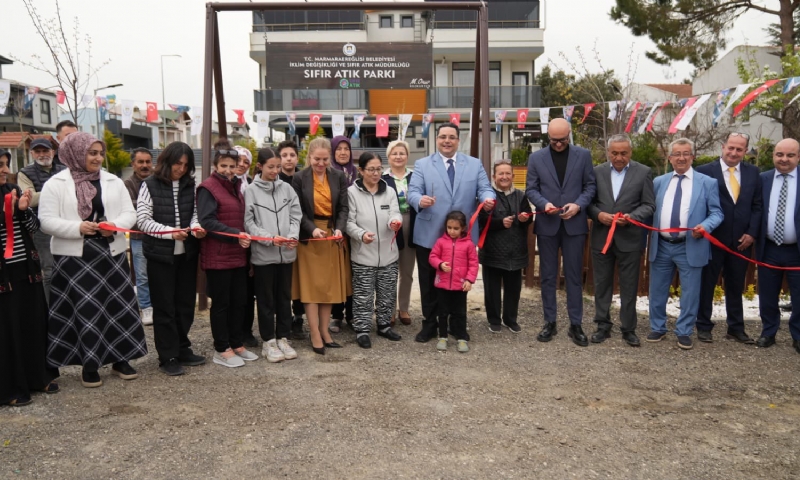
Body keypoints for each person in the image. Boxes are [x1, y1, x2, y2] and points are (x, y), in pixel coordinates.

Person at [39, 132, 146, 388]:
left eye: (100, 153)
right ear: (76, 153)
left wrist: (114, 226)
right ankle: (90, 363)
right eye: (92, 153)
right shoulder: (55, 183)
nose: (98, 158)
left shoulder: (113, 181)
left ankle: (121, 358)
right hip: (74, 258)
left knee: (117, 308)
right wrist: (78, 228)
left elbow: (129, 213)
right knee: (85, 311)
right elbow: (46, 220)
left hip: (111, 254)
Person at [407, 122, 495, 343]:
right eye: (443, 136)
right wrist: (420, 200)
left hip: (462, 237)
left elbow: (485, 188)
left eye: (451, 137)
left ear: (458, 140)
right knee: (428, 283)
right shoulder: (422, 164)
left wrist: (487, 199)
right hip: (429, 233)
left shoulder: (474, 165)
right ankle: (430, 324)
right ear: (436, 139)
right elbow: (412, 192)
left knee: (458, 281)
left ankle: (457, 325)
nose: (447, 140)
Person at [137, 142, 207, 376]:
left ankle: (182, 347)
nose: (182, 169)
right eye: (178, 163)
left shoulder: (190, 185)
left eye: (186, 165)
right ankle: (167, 355)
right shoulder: (149, 185)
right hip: (160, 255)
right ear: (167, 161)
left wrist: (196, 228)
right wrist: (168, 232)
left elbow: (195, 214)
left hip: (186, 253)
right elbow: (144, 221)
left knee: (185, 304)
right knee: (164, 306)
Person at [525, 118, 596, 347]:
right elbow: (531, 189)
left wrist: (578, 205)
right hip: (548, 224)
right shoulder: (536, 158)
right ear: (548, 137)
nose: (558, 144)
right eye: (554, 140)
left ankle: (576, 324)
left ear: (569, 135)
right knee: (547, 276)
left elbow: (590, 187)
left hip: (574, 225)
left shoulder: (583, 155)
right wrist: (544, 204)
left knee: (574, 277)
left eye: (563, 140)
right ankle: (550, 322)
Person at [647, 138, 723, 350]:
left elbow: (717, 212)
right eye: (677, 154)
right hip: (661, 244)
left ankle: (684, 331)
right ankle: (657, 327)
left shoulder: (707, 183)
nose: (681, 158)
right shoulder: (659, 182)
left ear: (692, 157)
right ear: (670, 158)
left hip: (690, 244)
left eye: (686, 153)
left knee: (690, 292)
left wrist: (705, 226)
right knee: (658, 288)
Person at [0, 149, 59, 406]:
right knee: (8, 329)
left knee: (32, 323)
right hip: (4, 275)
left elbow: (35, 229)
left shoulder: (13, 190)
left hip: (26, 269)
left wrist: (23, 211)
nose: (3, 169)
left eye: (4, 164)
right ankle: (10, 387)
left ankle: (38, 377)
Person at [586, 134, 655, 347]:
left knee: (629, 286)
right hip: (602, 238)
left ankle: (628, 328)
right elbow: (588, 202)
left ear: (630, 152)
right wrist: (598, 215)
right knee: (602, 284)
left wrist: (632, 218)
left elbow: (649, 205)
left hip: (630, 239)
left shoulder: (643, 172)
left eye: (623, 153)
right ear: (608, 152)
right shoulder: (596, 172)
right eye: (614, 153)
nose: (619, 157)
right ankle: (602, 325)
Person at [695, 132, 762, 344]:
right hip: (712, 239)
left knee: (735, 285)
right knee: (707, 284)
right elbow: (699, 205)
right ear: (723, 147)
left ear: (745, 151)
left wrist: (751, 233)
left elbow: (757, 206)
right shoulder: (705, 171)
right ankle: (703, 325)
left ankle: (735, 328)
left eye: (739, 149)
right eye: (730, 148)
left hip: (741, 242)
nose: (734, 153)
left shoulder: (754, 173)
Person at [197, 140, 258, 368]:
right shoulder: (207, 188)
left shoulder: (236, 188)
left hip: (237, 255)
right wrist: (236, 234)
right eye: (224, 166)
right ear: (215, 165)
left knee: (239, 301)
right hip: (218, 255)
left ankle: (237, 343)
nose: (228, 170)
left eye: (232, 166)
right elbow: (208, 222)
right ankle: (221, 347)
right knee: (221, 304)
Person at [291, 137, 351, 354]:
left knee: (328, 287)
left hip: (331, 234)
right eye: (317, 159)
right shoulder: (299, 178)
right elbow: (296, 209)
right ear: (310, 157)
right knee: (311, 287)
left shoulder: (338, 177)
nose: (321, 163)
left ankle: (325, 331)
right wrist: (311, 228)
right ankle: (314, 332)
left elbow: (344, 207)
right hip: (310, 236)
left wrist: (339, 229)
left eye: (325, 159)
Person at [245, 147, 301, 363]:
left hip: (287, 253)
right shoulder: (251, 190)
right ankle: (268, 341)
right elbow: (249, 222)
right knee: (266, 300)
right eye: (271, 167)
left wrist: (292, 235)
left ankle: (283, 337)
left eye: (278, 167)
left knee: (284, 298)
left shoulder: (287, 188)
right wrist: (269, 238)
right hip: (264, 254)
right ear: (260, 166)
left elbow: (296, 214)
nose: (275, 170)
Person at [347, 152, 403, 349]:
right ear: (360, 170)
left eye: (379, 168)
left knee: (387, 292)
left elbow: (395, 212)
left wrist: (395, 222)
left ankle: (384, 325)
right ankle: (362, 329)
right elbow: (349, 222)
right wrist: (361, 234)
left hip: (388, 252)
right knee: (363, 295)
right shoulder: (352, 193)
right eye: (371, 169)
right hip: (363, 253)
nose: (376, 173)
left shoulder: (389, 191)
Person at [755, 138, 800, 352]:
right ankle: (768, 332)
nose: (784, 159)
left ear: (798, 157)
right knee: (767, 294)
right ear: (774, 156)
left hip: (796, 250)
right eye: (780, 154)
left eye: (790, 155)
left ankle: (798, 335)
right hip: (769, 248)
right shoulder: (762, 179)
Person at [478, 159, 533, 334]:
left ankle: (510, 319)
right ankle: (494, 319)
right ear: (494, 177)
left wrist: (525, 218)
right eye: (500, 173)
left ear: (513, 176)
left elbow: (528, 217)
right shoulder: (488, 198)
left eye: (507, 173)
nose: (504, 177)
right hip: (493, 250)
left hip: (515, 250)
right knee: (492, 288)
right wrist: (500, 223)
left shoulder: (521, 196)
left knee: (513, 288)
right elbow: (482, 221)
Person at [16, 137, 66, 302]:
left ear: (52, 151)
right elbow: (29, 199)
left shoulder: (64, 169)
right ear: (31, 153)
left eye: (45, 150)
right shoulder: (24, 173)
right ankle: (51, 309)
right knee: (49, 270)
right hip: (41, 227)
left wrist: (44, 194)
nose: (42, 154)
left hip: (67, 224)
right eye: (38, 151)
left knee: (69, 267)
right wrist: (57, 191)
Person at [429, 211, 478, 353]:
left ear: (463, 228)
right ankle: (442, 336)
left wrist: (469, 280)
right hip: (442, 285)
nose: (452, 231)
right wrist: (439, 264)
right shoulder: (440, 242)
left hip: (460, 285)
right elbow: (432, 257)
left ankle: (462, 337)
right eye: (449, 227)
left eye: (456, 228)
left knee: (460, 313)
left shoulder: (469, 244)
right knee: (442, 312)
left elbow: (473, 264)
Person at [383, 140, 416, 326]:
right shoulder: (382, 178)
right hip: (388, 225)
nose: (398, 156)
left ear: (407, 156)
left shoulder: (415, 176)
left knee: (407, 271)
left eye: (402, 153)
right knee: (390, 271)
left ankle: (403, 308)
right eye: (394, 153)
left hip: (411, 222)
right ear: (388, 156)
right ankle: (389, 309)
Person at [277, 140, 306, 340]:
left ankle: (299, 318)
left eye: (292, 155)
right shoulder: (273, 179)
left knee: (300, 280)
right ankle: (282, 321)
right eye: (284, 155)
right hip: (279, 236)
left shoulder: (304, 178)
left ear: (297, 158)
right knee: (283, 282)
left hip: (301, 235)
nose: (288, 159)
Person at [124, 147, 154, 325]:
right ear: (133, 164)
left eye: (147, 162)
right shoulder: (127, 184)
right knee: (142, 275)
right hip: (138, 237)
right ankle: (146, 307)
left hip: (159, 236)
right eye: (140, 162)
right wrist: (152, 204)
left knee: (159, 274)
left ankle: (158, 304)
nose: (145, 165)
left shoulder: (158, 180)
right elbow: (129, 208)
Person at [329, 135, 356, 332]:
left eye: (346, 148)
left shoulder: (357, 173)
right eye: (339, 149)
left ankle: (352, 314)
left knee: (354, 272)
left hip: (354, 231)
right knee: (337, 273)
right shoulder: (328, 173)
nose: (343, 152)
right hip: (335, 229)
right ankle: (336, 315)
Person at [234, 145, 258, 347]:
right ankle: (231, 330)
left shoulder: (251, 185)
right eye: (238, 160)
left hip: (250, 244)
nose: (241, 165)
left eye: (246, 162)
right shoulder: (221, 183)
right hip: (230, 242)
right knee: (232, 291)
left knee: (249, 291)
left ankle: (246, 330)